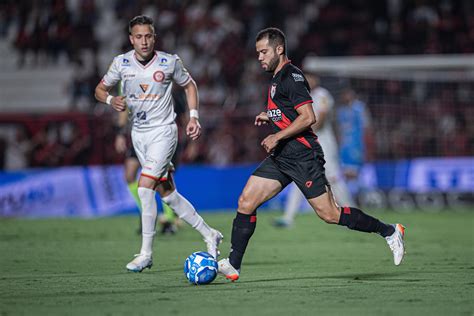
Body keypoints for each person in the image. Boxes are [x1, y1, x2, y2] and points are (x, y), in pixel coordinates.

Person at [217, 27, 405, 281]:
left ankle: (390, 231)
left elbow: (309, 117)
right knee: (246, 201)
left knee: (330, 214)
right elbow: (289, 112)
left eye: (263, 52)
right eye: (258, 53)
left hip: (303, 156)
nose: (259, 57)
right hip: (283, 157)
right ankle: (233, 265)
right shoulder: (276, 78)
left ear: (279, 49)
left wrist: (277, 135)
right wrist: (271, 115)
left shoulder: (291, 77)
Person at [95, 15, 223, 272]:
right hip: (139, 136)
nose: (144, 41)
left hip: (164, 132)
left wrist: (194, 117)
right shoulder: (121, 64)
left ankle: (146, 254)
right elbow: (99, 89)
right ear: (131, 39)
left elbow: (190, 86)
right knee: (168, 195)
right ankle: (210, 234)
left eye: (148, 36)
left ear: (154, 37)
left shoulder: (169, 62)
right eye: (139, 37)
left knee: (144, 188)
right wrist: (110, 101)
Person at [273, 73, 355, 227]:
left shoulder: (322, 94)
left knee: (333, 178)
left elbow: (322, 118)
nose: (308, 80)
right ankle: (288, 217)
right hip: (308, 144)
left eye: (310, 77)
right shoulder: (301, 97)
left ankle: (352, 212)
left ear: (316, 79)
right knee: (299, 178)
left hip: (323, 143)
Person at [114, 110, 179, 235]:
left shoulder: (164, 93)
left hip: (159, 138)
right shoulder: (132, 92)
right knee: (129, 176)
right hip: (139, 138)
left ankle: (169, 220)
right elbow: (124, 111)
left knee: (161, 180)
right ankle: (148, 213)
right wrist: (120, 134)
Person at [336, 88, 373, 198]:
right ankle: (348, 197)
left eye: (347, 94)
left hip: (356, 144)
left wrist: (368, 144)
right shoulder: (341, 111)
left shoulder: (359, 108)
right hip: (345, 146)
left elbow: (367, 127)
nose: (345, 97)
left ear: (352, 94)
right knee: (345, 173)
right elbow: (339, 129)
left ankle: (361, 196)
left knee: (355, 172)